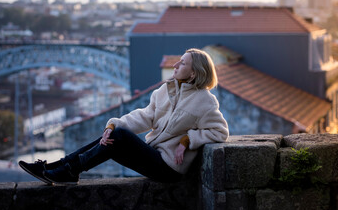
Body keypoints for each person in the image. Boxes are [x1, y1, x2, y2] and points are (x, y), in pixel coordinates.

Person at [19, 48, 229, 185]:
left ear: (193, 73)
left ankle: (68, 170)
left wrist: (187, 141)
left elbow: (220, 131)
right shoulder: (164, 91)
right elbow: (144, 117)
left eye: (182, 63)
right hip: (153, 155)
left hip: (170, 169)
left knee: (119, 136)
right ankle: (54, 168)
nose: (175, 65)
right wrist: (112, 125)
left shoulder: (205, 101)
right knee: (112, 134)